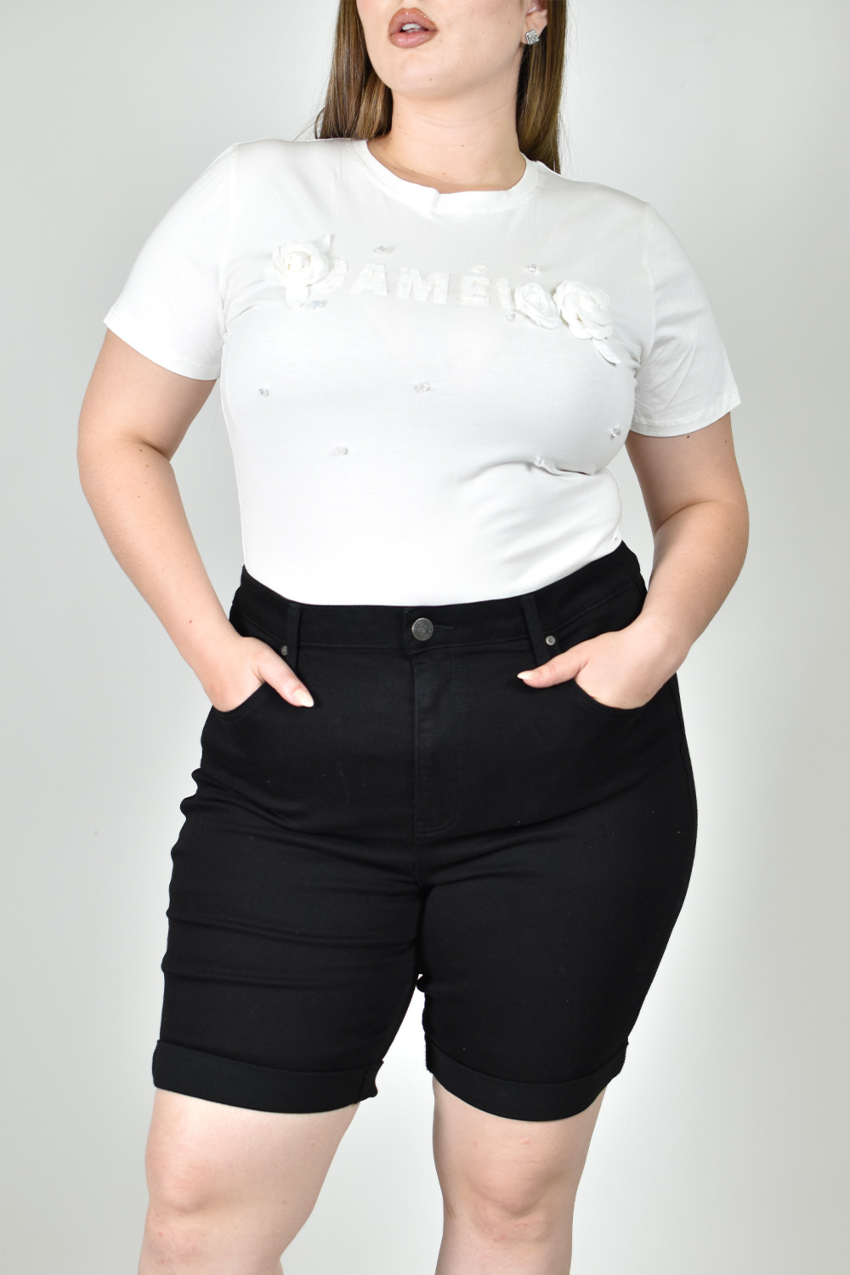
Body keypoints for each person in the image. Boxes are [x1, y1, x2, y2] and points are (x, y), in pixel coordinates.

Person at [76, 2, 748, 1272]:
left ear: (534, 11)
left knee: (512, 1202)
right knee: (200, 1208)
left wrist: (646, 650)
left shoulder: (622, 242)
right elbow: (120, 433)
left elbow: (706, 503)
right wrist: (214, 651)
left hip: (568, 770)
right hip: (298, 757)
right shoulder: (255, 194)